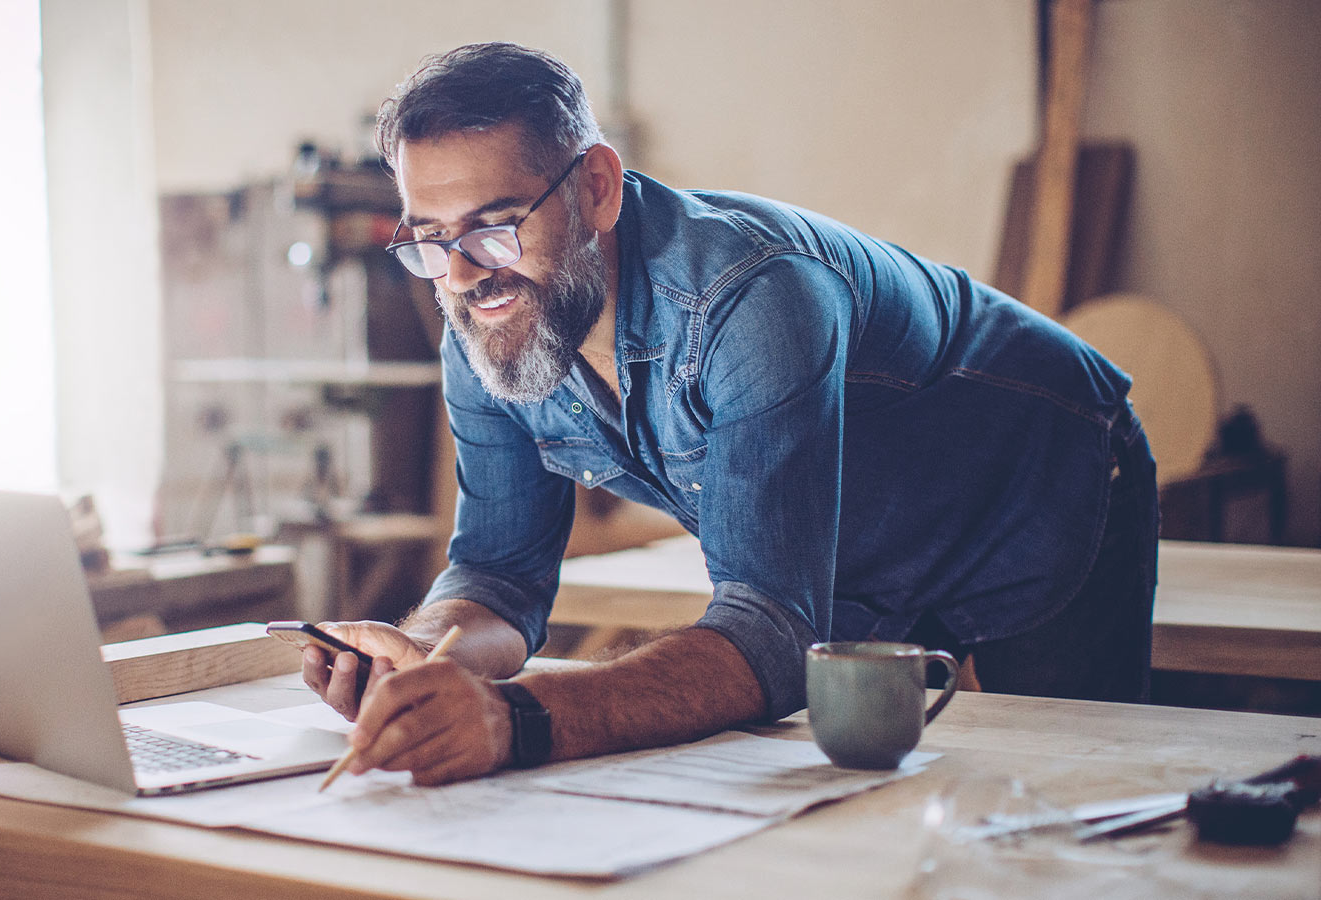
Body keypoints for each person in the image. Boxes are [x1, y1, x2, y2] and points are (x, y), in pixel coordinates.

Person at [300, 42, 1158, 787]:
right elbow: (497, 577)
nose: (461, 276)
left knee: (1057, 806)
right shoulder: (485, 329)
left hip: (1038, 488)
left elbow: (770, 635)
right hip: (852, 557)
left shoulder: (754, 301)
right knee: (874, 824)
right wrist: (425, 658)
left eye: (493, 226)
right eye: (429, 240)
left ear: (597, 187)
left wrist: (517, 720)